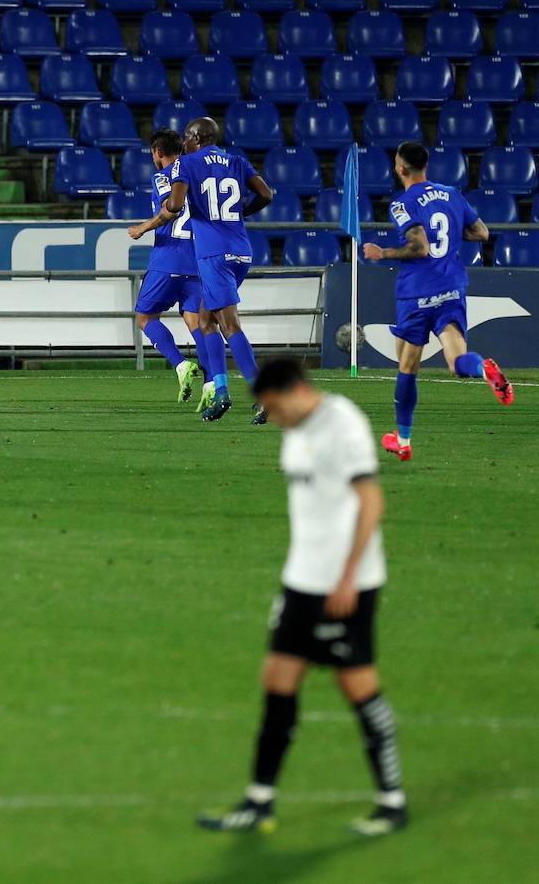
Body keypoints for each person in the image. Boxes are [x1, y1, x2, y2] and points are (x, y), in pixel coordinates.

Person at [198, 359, 407, 838]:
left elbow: (371, 500)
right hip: (303, 580)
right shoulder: (294, 429)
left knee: (356, 684)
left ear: (295, 391)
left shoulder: (343, 424)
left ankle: (392, 802)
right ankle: (258, 801)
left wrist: (348, 577)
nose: (272, 417)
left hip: (345, 584)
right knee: (278, 678)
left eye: (273, 407)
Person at [362, 141, 513, 462]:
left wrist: (383, 253)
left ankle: (403, 440)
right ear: (425, 165)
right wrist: (455, 230)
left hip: (417, 291)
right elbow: (483, 233)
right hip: (452, 287)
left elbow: (420, 248)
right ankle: (484, 370)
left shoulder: (402, 204)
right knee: (458, 362)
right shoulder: (452, 194)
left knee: (407, 367)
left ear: (401, 168)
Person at [164, 117, 275, 424]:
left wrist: (178, 203)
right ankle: (222, 391)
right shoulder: (236, 161)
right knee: (205, 319)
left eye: (187, 136)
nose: (183, 142)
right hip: (241, 250)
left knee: (229, 325)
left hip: (214, 253)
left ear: (198, 138)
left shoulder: (186, 163)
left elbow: (174, 205)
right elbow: (267, 194)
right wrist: (240, 212)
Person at [125, 127, 206, 405]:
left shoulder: (163, 176)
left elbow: (169, 211)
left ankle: (181, 365)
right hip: (197, 262)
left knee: (145, 318)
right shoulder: (197, 176)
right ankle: (212, 384)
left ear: (158, 153)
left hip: (168, 260)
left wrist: (142, 228)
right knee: (197, 321)